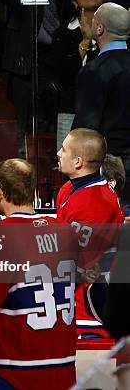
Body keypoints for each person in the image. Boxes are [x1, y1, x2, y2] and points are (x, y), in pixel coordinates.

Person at [0, 159, 78, 390]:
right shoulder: (65, 231)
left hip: (14, 368)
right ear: (32, 191)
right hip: (62, 366)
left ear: (1, 193)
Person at [56, 128, 125, 338]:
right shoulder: (69, 188)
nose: (58, 153)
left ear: (78, 162)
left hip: (88, 313)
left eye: (64, 149)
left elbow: (72, 265)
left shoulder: (96, 205)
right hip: (71, 299)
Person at [72, 2, 130, 205]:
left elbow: (86, 129)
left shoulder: (94, 71)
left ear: (99, 29)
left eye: (94, 19)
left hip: (111, 171)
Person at [0, 0, 63, 155]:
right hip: (24, 49)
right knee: (23, 115)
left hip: (58, 51)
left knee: (52, 115)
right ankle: (22, 162)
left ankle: (52, 162)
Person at [52, 0, 109, 114]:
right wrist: (86, 41)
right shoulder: (63, 34)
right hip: (73, 112)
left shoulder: (114, 30)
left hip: (109, 113)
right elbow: (65, 77)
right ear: (74, 1)